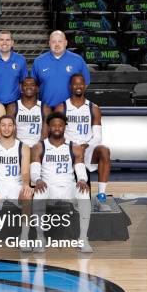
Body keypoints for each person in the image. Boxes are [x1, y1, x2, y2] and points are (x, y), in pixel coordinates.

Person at [30, 112, 92, 253]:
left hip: (68, 187)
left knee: (84, 194)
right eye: (54, 125)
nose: (57, 128)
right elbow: (34, 170)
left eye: (60, 125)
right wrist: (38, 180)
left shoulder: (74, 147)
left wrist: (82, 180)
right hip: (48, 186)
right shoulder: (39, 147)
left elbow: (80, 168)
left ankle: (83, 238)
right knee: (38, 195)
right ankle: (40, 238)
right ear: (48, 127)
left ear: (65, 127)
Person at [54, 73, 111, 210]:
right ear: (70, 86)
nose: (78, 86)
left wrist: (85, 146)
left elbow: (97, 136)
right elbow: (57, 133)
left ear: (85, 86)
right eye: (75, 83)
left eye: (81, 84)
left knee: (104, 150)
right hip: (68, 148)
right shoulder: (62, 107)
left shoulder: (93, 108)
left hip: (88, 147)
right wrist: (73, 146)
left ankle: (101, 195)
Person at [0, 115, 33, 248]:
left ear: (14, 127)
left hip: (15, 184)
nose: (6, 128)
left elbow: (26, 171)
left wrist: (26, 184)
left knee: (27, 195)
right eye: (3, 125)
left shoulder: (23, 147)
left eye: (10, 125)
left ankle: (24, 237)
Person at [32, 30, 91, 107]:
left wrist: (75, 101)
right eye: (53, 42)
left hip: (71, 110)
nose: (57, 45)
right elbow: (33, 86)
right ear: (49, 43)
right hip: (46, 109)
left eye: (60, 41)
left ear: (66, 43)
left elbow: (85, 83)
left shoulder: (78, 60)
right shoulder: (38, 61)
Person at [7, 77, 46, 147]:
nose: (29, 87)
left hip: (38, 146)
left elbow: (45, 134)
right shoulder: (13, 107)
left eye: (32, 85)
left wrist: (37, 147)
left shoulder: (44, 107)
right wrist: (21, 147)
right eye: (25, 85)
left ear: (37, 89)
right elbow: (10, 132)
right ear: (21, 88)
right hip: (18, 146)